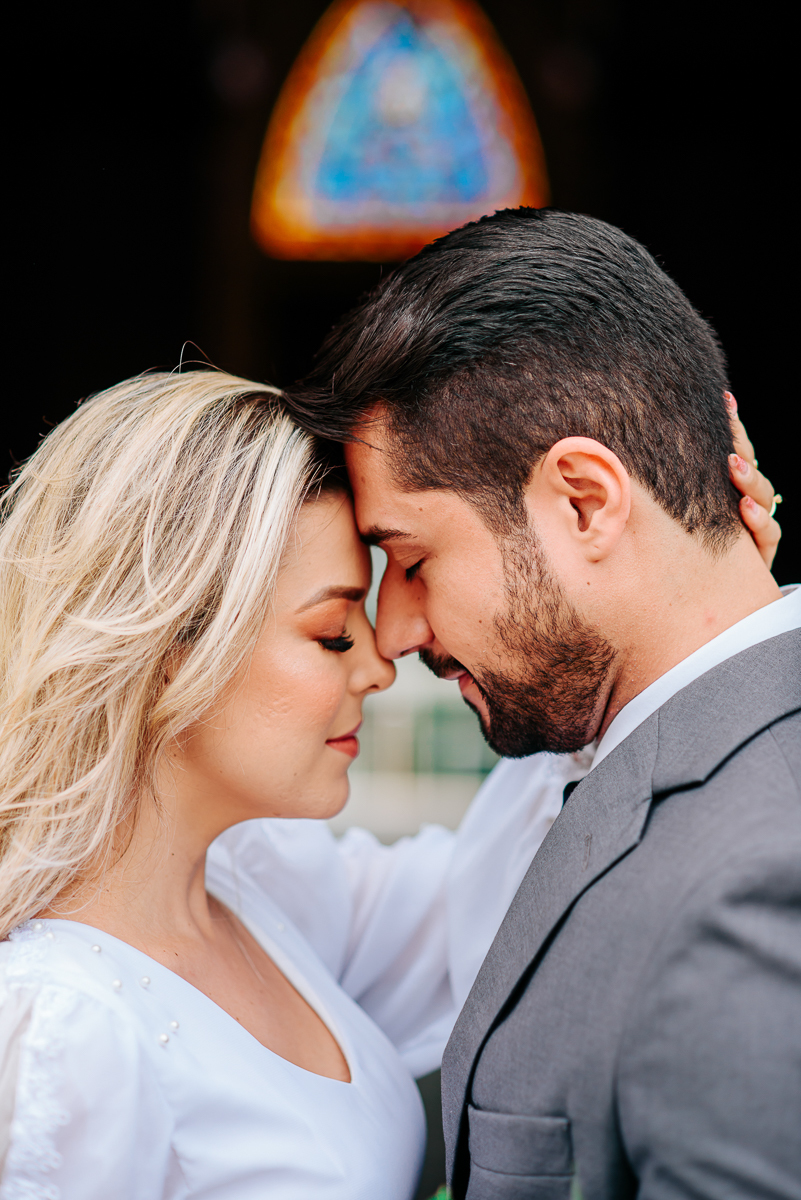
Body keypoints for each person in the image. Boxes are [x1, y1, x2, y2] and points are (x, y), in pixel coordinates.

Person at [282, 207, 800, 1200]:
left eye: (414, 559)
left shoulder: (762, 888)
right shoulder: (637, 762)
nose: (392, 634)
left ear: (585, 502)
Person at [0, 368, 592, 1200]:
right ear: (174, 650)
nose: (381, 665)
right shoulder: (61, 1031)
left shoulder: (258, 886)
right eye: (330, 634)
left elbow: (494, 892)